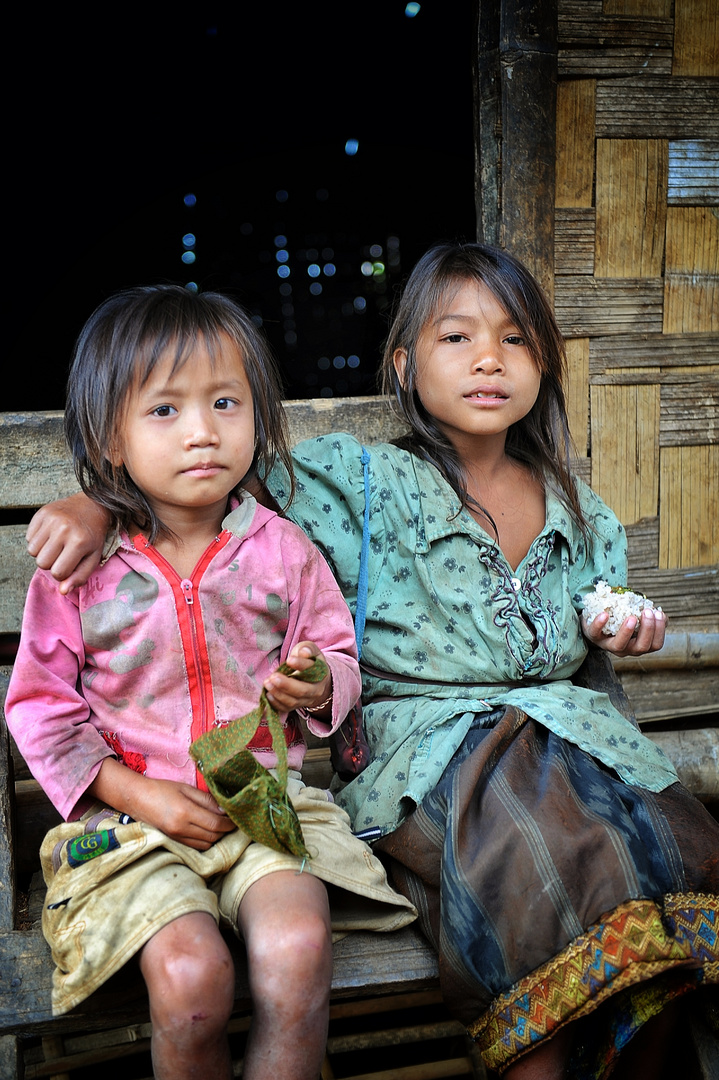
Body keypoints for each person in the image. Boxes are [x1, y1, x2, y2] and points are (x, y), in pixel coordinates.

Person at [26, 245, 719, 1079]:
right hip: (435, 754)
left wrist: (620, 629)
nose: (489, 360)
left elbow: (588, 606)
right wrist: (93, 503)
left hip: (564, 749)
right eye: (456, 337)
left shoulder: (575, 505)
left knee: (671, 851)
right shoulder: (355, 480)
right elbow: (196, 483)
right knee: (546, 859)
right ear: (402, 366)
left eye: (516, 340)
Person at [5, 285, 415, 1080]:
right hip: (132, 830)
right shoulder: (82, 571)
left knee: (297, 953)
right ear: (108, 437)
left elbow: (335, 653)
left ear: (257, 414)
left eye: (225, 402)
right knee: (193, 984)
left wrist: (317, 685)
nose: (202, 432)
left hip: (266, 812)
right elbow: (40, 709)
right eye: (164, 410)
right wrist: (140, 794)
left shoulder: (281, 551)